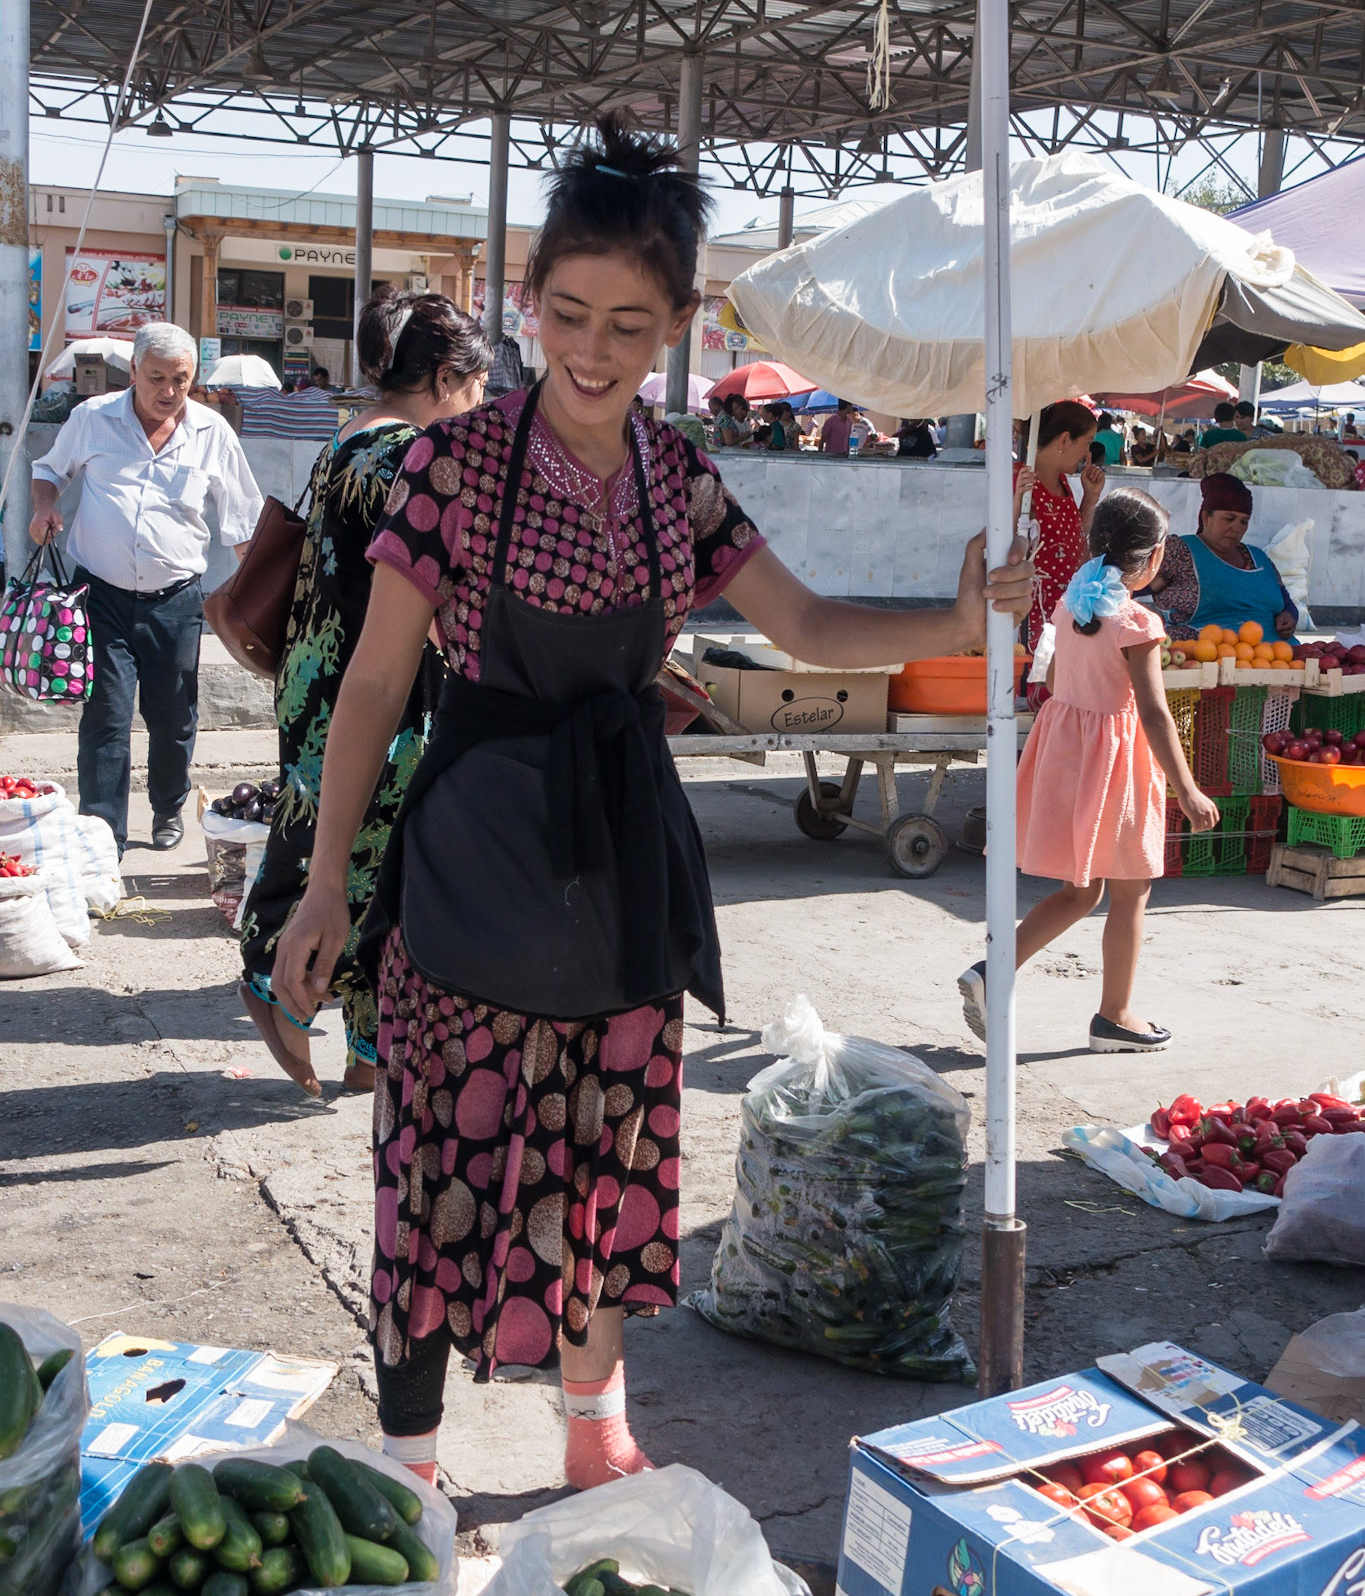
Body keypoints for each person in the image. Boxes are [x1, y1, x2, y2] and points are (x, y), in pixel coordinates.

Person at [270, 115, 1032, 1490]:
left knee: (608, 1155)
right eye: (568, 313)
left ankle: (592, 1427)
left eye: (630, 322)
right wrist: (327, 882)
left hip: (622, 868)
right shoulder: (449, 469)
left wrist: (961, 614)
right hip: (469, 865)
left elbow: (799, 620)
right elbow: (377, 690)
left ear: (679, 322)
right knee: (438, 1151)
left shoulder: (678, 475)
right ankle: (414, 1454)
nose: (594, 348)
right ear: (528, 303)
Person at [239, 290, 492, 1098]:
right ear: (448, 376)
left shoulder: (352, 435)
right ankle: (273, 976)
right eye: (478, 387)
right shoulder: (407, 458)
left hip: (320, 675)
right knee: (360, 859)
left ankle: (366, 1047)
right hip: (372, 690)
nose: (481, 405)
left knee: (366, 861)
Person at [959, 491, 1219, 1055]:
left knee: (1082, 890)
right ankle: (1115, 1015)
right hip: (1114, 764)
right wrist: (1188, 789)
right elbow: (1152, 713)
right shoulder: (1137, 621)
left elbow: (1053, 684)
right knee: (1131, 889)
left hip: (1068, 754)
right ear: (1151, 560)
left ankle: (992, 969)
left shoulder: (1073, 601)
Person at [28, 322, 262, 856]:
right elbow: (49, 469)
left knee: (174, 716)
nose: (168, 391)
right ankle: (101, 832)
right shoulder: (93, 418)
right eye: (156, 377)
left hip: (176, 600)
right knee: (107, 715)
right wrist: (45, 504)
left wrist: (255, 597)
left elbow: (242, 523)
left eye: (180, 379)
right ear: (133, 371)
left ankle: (166, 808)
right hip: (100, 597)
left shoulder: (211, 432)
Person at [1012, 400, 1107, 708]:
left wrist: (1090, 499)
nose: (1087, 454)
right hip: (1030, 614)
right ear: (1065, 440)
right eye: (1087, 443)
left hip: (1064, 613)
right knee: (1039, 699)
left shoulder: (1065, 482)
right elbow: (1003, 536)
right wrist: (1016, 498)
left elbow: (1076, 541)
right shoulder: (1021, 479)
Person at [1148, 473, 1298, 642]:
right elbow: (1132, 586)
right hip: (1205, 657)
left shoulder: (1259, 558)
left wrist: (1289, 615)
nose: (1236, 528)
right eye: (1229, 518)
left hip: (1278, 658)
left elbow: (1287, 603)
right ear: (1206, 517)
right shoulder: (1179, 552)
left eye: (1244, 522)